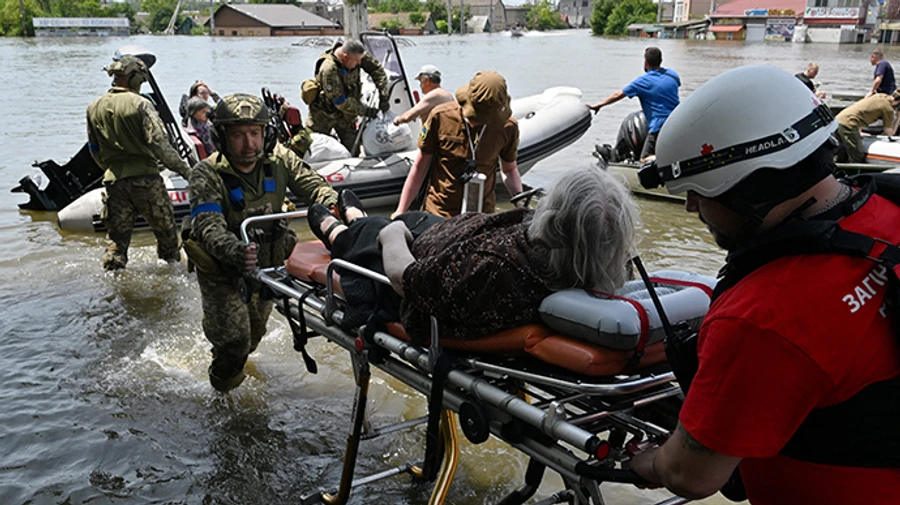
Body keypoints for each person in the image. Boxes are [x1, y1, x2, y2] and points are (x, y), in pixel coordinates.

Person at [630, 65, 900, 503]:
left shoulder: (765, 315)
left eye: (700, 191)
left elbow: (689, 474)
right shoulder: (889, 206)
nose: (691, 206)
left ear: (752, 187)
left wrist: (644, 460)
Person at [307, 166, 636, 342]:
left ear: (552, 215)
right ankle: (356, 220)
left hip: (415, 254)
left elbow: (403, 279)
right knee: (406, 222)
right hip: (446, 234)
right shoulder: (602, 267)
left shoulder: (493, 269)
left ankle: (340, 229)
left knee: (371, 234)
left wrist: (392, 234)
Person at [187, 93, 339, 392]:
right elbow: (208, 226)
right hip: (224, 269)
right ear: (222, 136)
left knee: (255, 334)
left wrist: (335, 207)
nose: (249, 143)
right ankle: (221, 392)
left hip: (268, 262)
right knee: (233, 342)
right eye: (238, 135)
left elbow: (315, 187)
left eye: (255, 133)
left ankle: (235, 367)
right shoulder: (206, 173)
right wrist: (236, 251)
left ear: (265, 134)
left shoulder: (281, 160)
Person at [86, 54, 192, 271]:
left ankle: (114, 286)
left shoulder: (93, 107)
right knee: (168, 237)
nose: (142, 84)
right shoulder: (141, 104)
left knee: (117, 242)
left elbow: (94, 150)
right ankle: (169, 281)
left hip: (114, 182)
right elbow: (160, 146)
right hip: (146, 181)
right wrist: (187, 172)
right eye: (141, 80)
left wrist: (112, 170)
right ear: (132, 77)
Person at [392, 71, 523, 219]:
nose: (476, 120)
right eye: (474, 114)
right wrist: (401, 210)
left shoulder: (507, 127)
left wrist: (519, 199)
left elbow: (509, 169)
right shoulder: (441, 116)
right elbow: (420, 166)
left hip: (481, 216)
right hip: (439, 213)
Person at [588, 47, 680, 162]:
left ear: (645, 62)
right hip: (678, 120)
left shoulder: (643, 82)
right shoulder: (673, 75)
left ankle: (666, 159)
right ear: (661, 60)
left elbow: (618, 95)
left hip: (659, 125)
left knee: (644, 158)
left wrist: (598, 105)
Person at [306, 39, 390, 153]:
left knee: (353, 149)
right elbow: (341, 102)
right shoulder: (329, 69)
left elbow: (376, 69)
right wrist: (366, 111)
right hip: (323, 114)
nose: (359, 64)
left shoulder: (356, 54)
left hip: (346, 116)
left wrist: (383, 95)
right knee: (313, 148)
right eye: (356, 61)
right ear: (345, 57)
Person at [835, 90, 900, 163]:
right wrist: (898, 118)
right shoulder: (888, 109)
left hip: (839, 120)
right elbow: (889, 133)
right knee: (857, 156)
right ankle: (854, 172)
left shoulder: (881, 96)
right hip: (849, 125)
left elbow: (863, 110)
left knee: (841, 152)